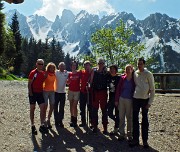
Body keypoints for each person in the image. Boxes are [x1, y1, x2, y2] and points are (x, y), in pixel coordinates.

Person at [129, 57, 155, 148]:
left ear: (144, 64)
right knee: (135, 119)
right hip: (136, 98)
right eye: (138, 64)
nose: (139, 65)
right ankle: (135, 139)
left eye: (141, 64)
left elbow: (152, 89)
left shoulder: (148, 74)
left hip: (145, 99)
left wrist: (150, 102)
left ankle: (145, 140)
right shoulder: (135, 73)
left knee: (145, 120)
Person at [28, 59, 48, 135]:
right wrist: (30, 93)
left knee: (42, 108)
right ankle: (32, 125)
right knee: (32, 108)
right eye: (39, 64)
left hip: (40, 93)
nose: (40, 65)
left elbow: (42, 81)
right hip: (33, 93)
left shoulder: (43, 73)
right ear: (36, 64)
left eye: (42, 64)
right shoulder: (33, 73)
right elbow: (29, 84)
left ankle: (42, 125)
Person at [115, 64, 135, 141]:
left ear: (132, 70)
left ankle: (130, 134)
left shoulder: (134, 79)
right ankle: (121, 134)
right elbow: (118, 89)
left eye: (129, 69)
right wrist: (117, 100)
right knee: (121, 117)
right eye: (126, 69)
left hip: (130, 100)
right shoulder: (122, 78)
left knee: (129, 117)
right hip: (121, 99)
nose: (128, 70)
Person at [90, 58, 109, 134]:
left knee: (104, 110)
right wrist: (89, 87)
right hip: (95, 92)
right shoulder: (94, 71)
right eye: (99, 63)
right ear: (97, 64)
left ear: (104, 64)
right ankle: (95, 126)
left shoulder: (106, 73)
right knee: (95, 109)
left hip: (103, 92)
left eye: (102, 63)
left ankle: (105, 128)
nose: (101, 64)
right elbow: (91, 81)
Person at [54, 62, 69, 127]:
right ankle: (56, 120)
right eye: (61, 66)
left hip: (63, 93)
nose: (62, 67)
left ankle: (60, 121)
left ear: (65, 67)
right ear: (58, 67)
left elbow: (74, 73)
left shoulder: (67, 73)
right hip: (56, 92)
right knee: (55, 107)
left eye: (63, 66)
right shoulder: (55, 72)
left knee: (62, 108)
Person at [107, 65, 120, 135]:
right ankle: (118, 122)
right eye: (111, 69)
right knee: (109, 113)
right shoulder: (109, 77)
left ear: (116, 70)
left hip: (117, 98)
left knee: (117, 113)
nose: (112, 70)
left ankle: (116, 128)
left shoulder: (119, 78)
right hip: (111, 97)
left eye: (113, 69)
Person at [67, 61, 81, 127]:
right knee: (71, 105)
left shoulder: (79, 73)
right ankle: (72, 118)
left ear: (76, 66)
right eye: (73, 65)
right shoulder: (69, 74)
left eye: (75, 65)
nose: (74, 66)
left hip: (77, 91)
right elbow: (67, 83)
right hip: (70, 91)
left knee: (74, 105)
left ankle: (75, 120)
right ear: (71, 66)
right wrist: (68, 82)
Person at [43, 62, 56, 129]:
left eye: (53, 67)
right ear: (48, 68)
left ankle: (48, 119)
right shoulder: (46, 73)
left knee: (52, 105)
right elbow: (42, 81)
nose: (52, 68)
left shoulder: (55, 74)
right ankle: (44, 120)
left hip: (52, 91)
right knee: (45, 105)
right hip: (45, 91)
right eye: (50, 67)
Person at [79, 61, 92, 127]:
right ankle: (83, 121)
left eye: (88, 65)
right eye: (86, 65)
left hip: (89, 93)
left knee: (90, 108)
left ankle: (91, 122)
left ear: (90, 66)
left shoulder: (92, 73)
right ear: (84, 66)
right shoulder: (82, 72)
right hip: (82, 92)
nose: (87, 66)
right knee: (82, 107)